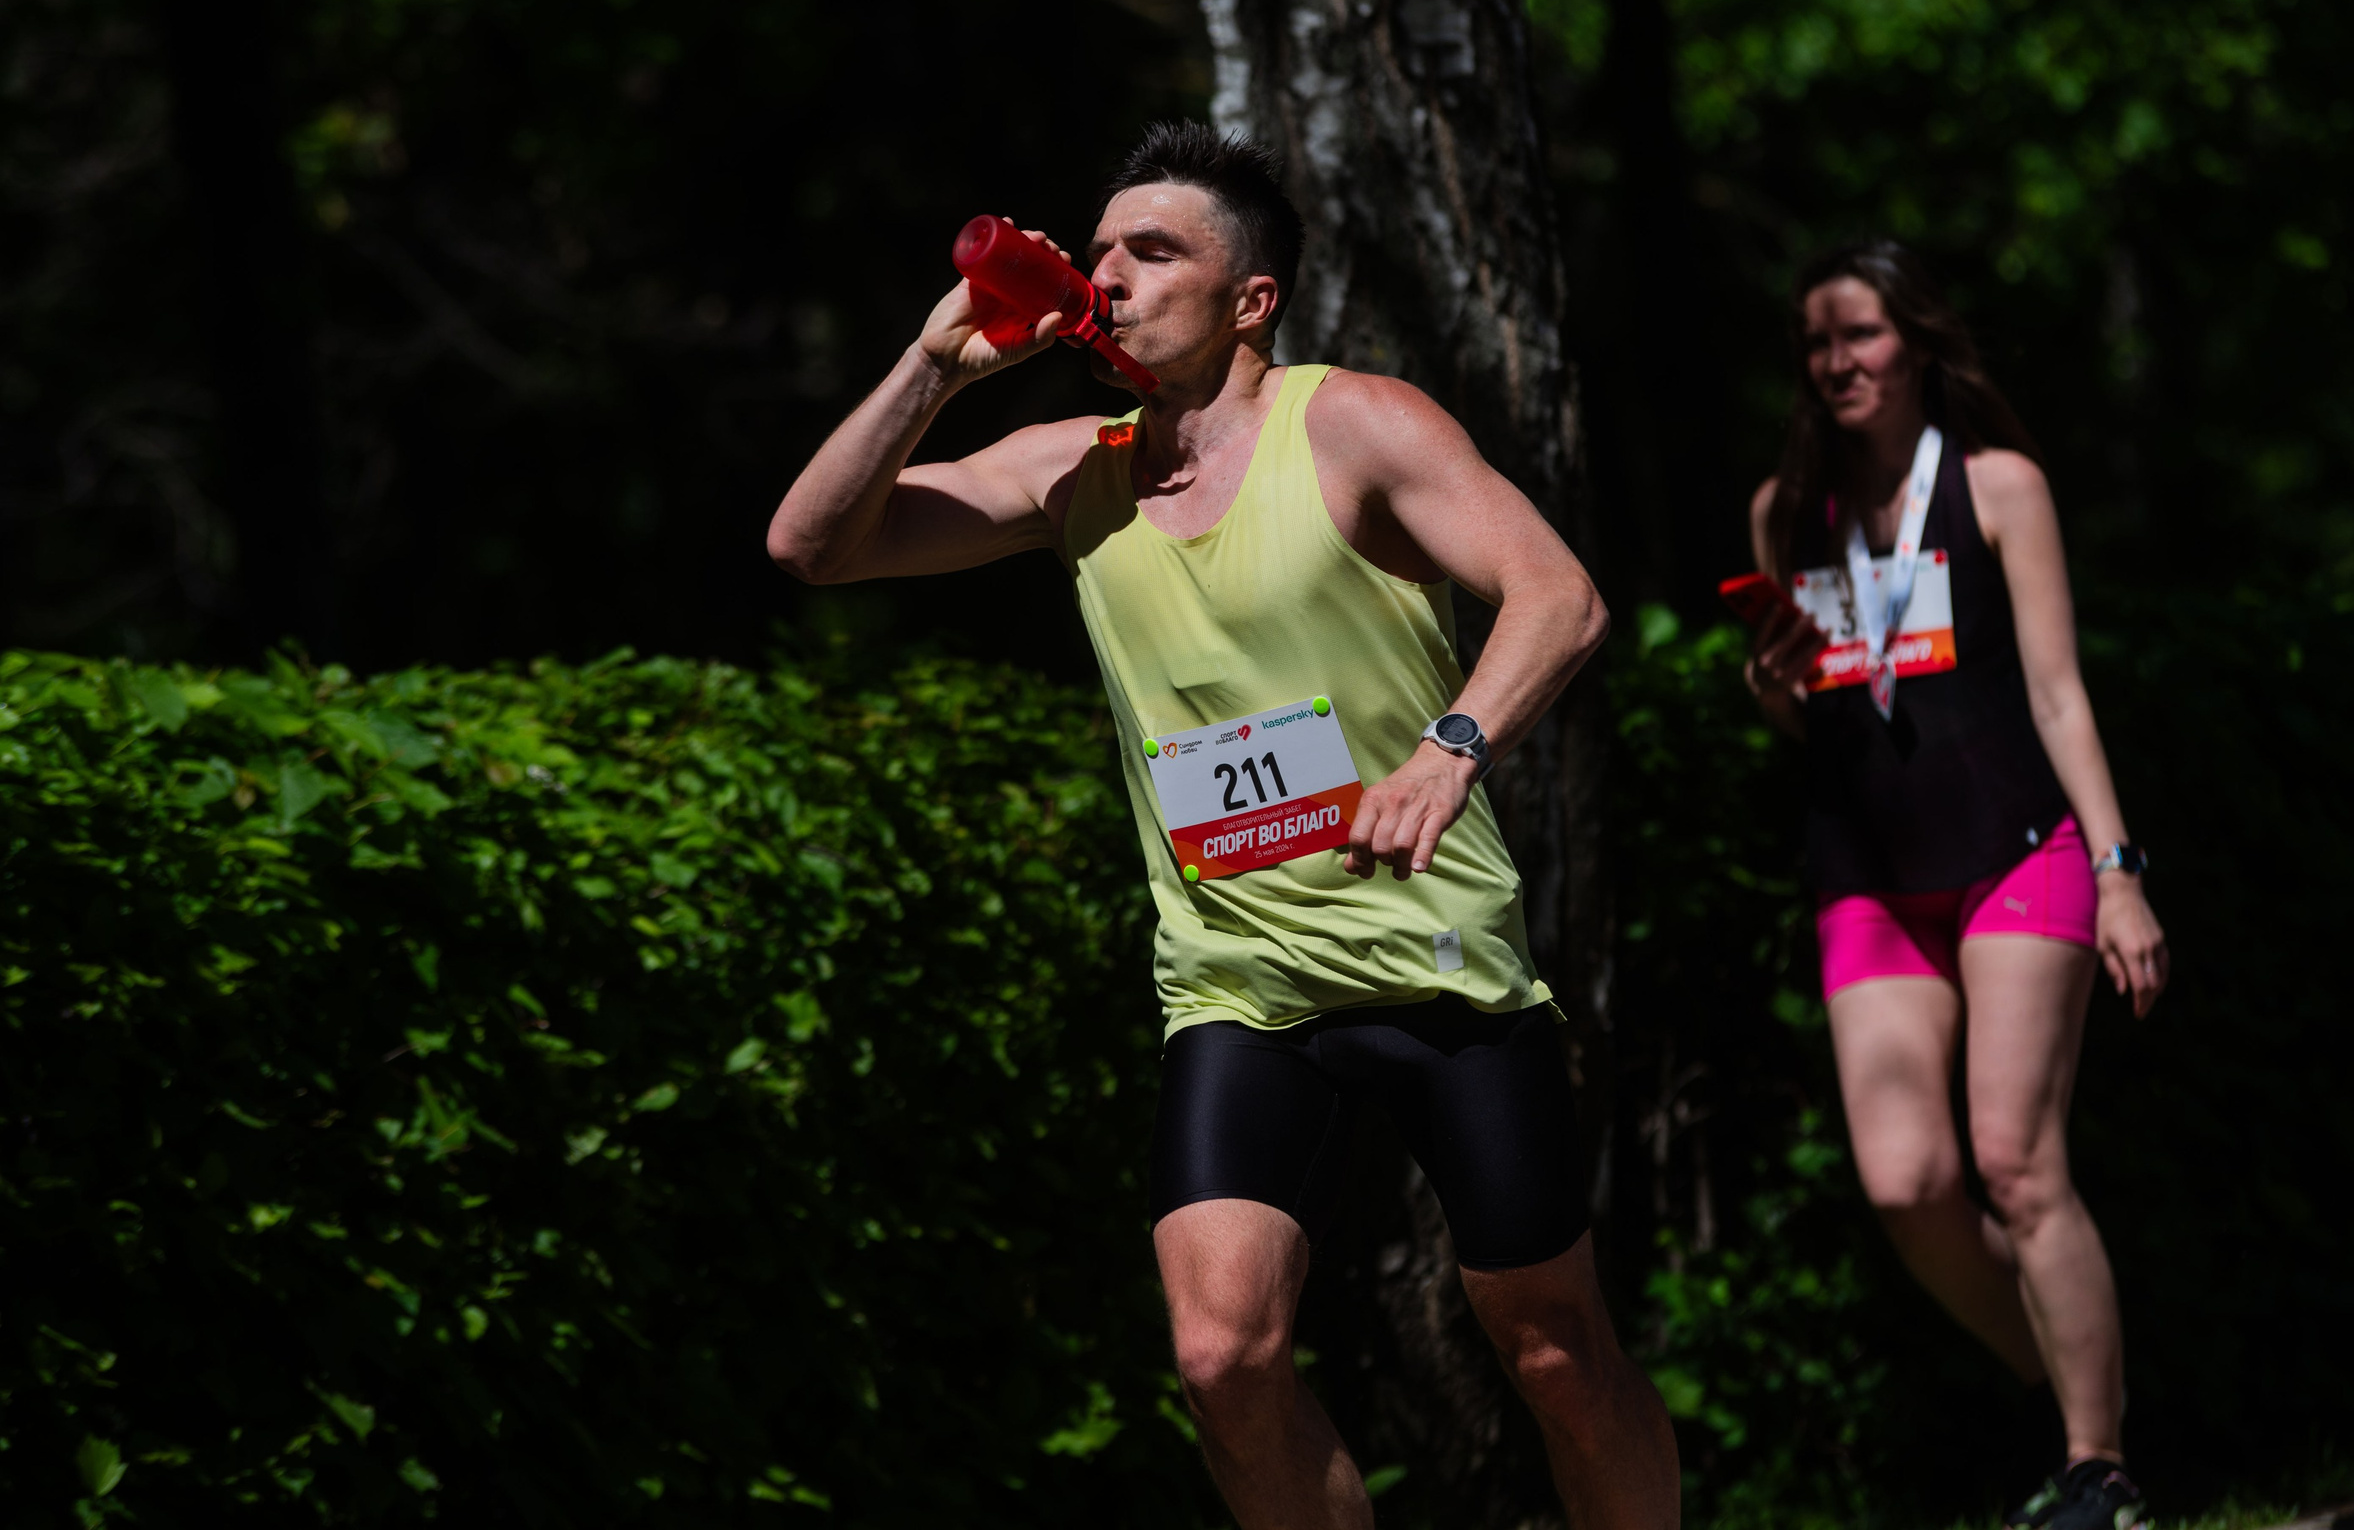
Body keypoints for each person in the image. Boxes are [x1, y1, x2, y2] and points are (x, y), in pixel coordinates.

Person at [767, 122, 1676, 1529]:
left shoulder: (1356, 423)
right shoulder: (1071, 467)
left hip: (1430, 957)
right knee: (1221, 1359)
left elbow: (1559, 596)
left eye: (1153, 250)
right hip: (1238, 987)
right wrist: (934, 366)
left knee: (1555, 1352)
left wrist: (1450, 752)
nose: (1108, 276)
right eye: (1100, 249)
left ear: (1251, 298)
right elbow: (812, 545)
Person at [1741, 242, 2170, 1530]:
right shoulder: (1783, 511)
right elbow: (1809, 713)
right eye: (1817, 342)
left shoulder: (1999, 485)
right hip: (1867, 875)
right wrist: (1770, 691)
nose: (1838, 362)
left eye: (1862, 334)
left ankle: (2097, 1464)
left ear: (1919, 341)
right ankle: (2072, 1376)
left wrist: (2120, 873)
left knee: (2015, 1162)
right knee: (1907, 1183)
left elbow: (2058, 693)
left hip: (2017, 850)